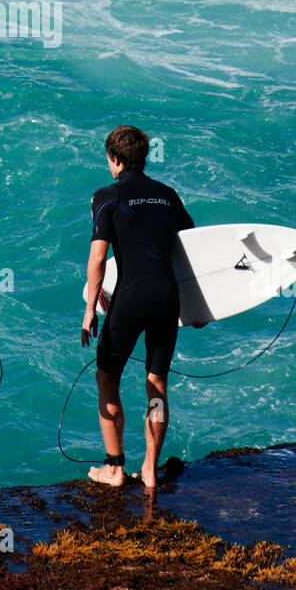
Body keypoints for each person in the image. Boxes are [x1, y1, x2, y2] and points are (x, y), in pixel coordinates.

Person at [82, 124, 197, 494]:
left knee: (107, 378)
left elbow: (98, 258)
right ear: (144, 158)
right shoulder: (168, 195)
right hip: (167, 299)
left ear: (114, 160)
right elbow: (193, 248)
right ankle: (149, 468)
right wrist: (199, 307)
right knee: (157, 385)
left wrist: (89, 309)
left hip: (129, 298)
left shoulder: (106, 196)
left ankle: (115, 468)